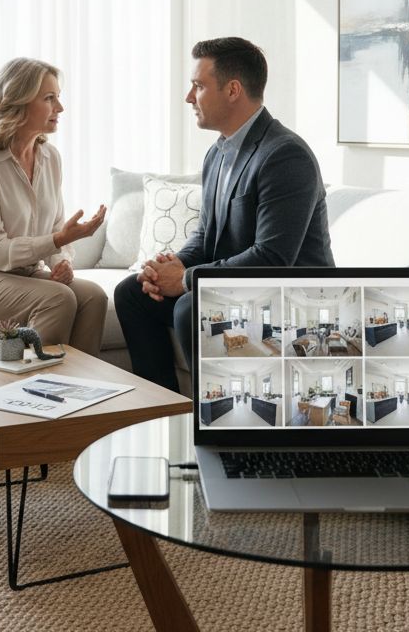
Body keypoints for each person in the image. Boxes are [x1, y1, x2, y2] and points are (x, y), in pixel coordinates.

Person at [114, 37, 334, 393]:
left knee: (190, 307)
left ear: (232, 90)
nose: (189, 97)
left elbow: (273, 258)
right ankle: (164, 413)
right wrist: (168, 268)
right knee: (132, 293)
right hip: (234, 291)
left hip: (289, 302)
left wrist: (186, 280)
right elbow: (207, 235)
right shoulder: (217, 153)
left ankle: (214, 423)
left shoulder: (285, 156)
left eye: (198, 86)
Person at [0, 58, 108, 354]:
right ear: (19, 102)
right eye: (49, 98)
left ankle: (80, 388)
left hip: (21, 275)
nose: (60, 108)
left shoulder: (50, 157)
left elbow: (56, 225)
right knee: (58, 298)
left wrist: (62, 262)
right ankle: (33, 391)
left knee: (94, 296)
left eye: (58, 97)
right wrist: (58, 241)